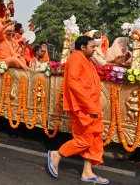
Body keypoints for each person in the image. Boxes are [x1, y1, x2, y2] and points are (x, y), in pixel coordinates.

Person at [47, 36, 109, 184]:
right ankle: (57, 154)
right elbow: (74, 85)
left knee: (94, 139)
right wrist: (90, 106)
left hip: (91, 106)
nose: (95, 49)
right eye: (92, 46)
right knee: (85, 139)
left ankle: (87, 172)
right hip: (82, 107)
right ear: (82, 47)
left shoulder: (86, 59)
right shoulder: (75, 59)